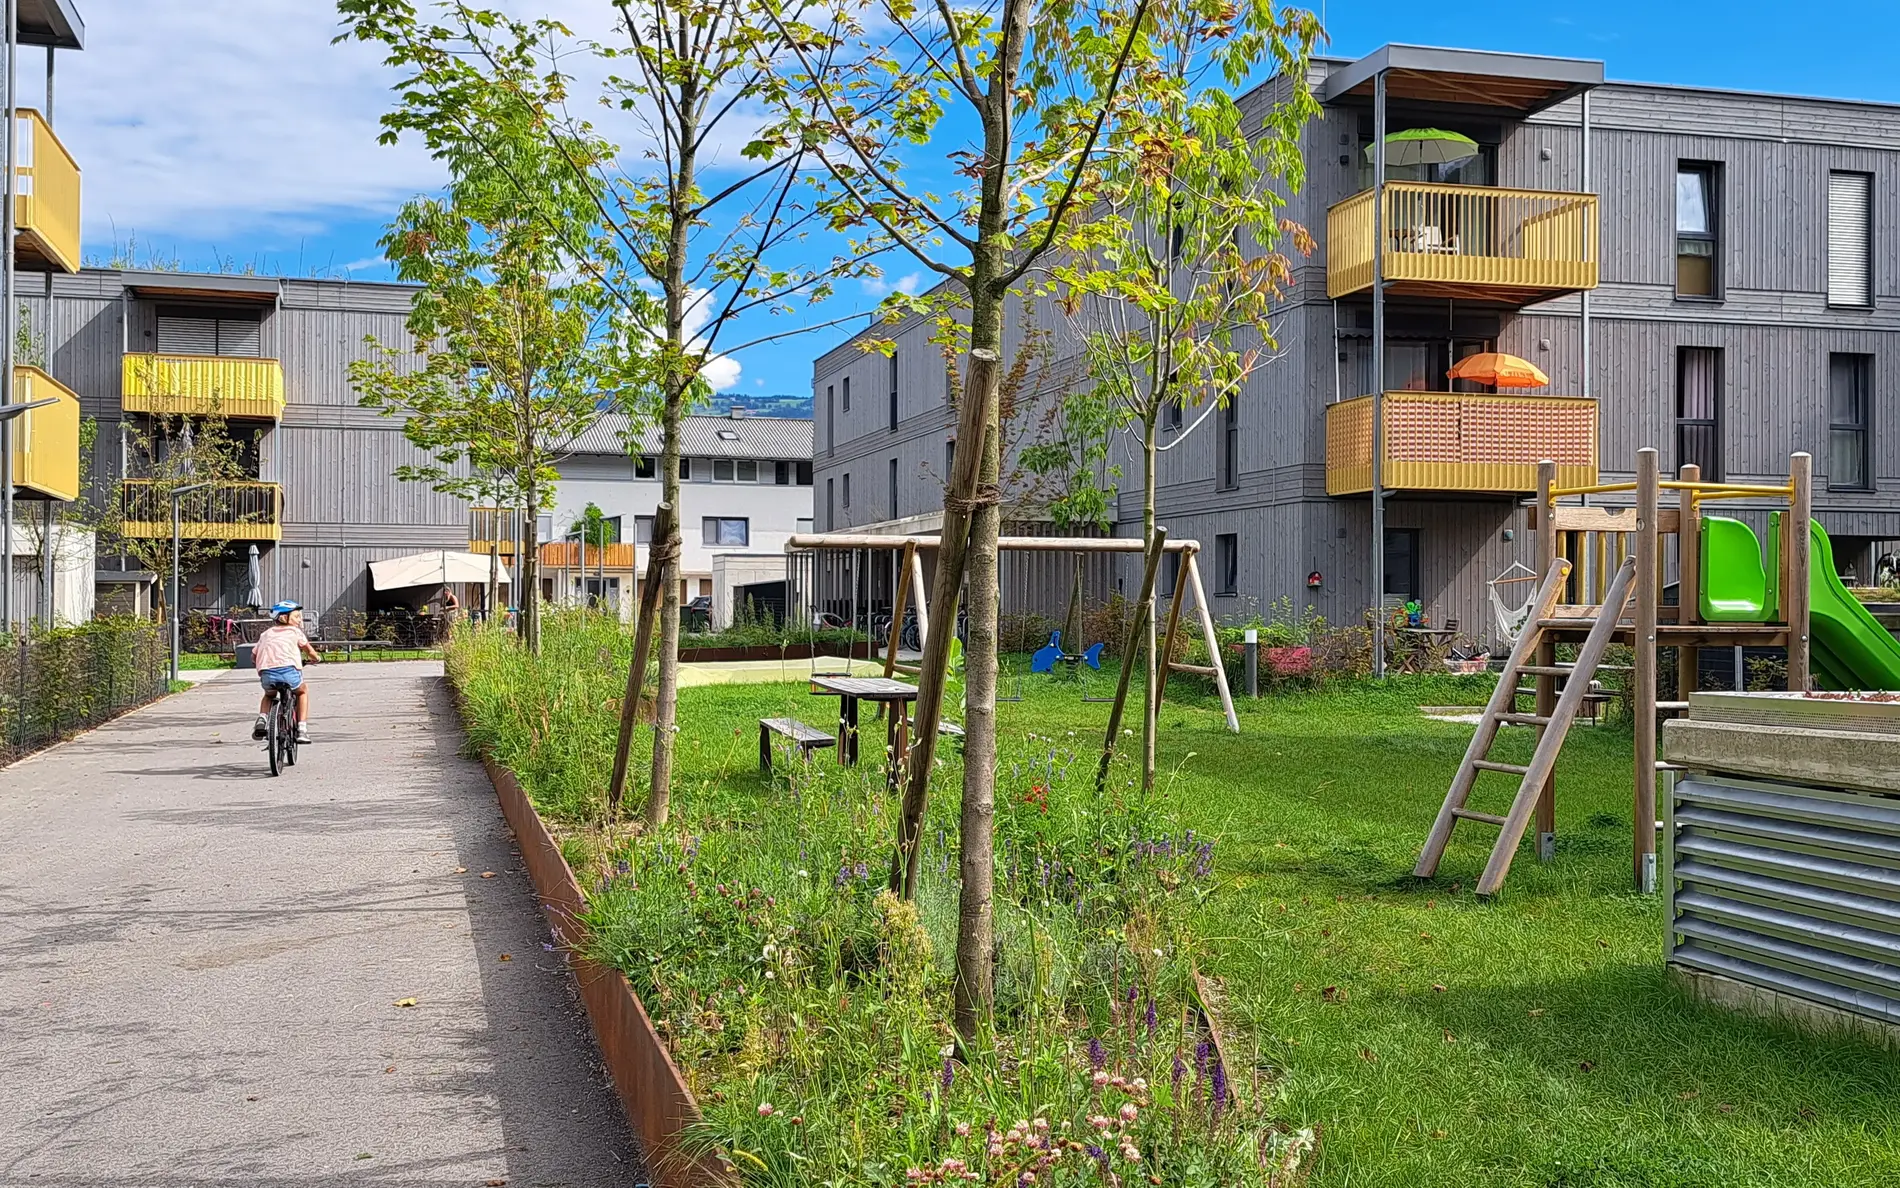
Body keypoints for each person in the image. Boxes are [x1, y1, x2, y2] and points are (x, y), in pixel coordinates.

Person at [252, 601, 321, 743]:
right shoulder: (295, 632)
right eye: (296, 616)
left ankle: (262, 719)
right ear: (284, 618)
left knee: (269, 695)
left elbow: (254, 655)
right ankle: (302, 729)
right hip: (289, 671)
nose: (299, 620)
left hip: (267, 674)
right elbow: (309, 650)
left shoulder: (265, 634)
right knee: (302, 692)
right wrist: (317, 658)